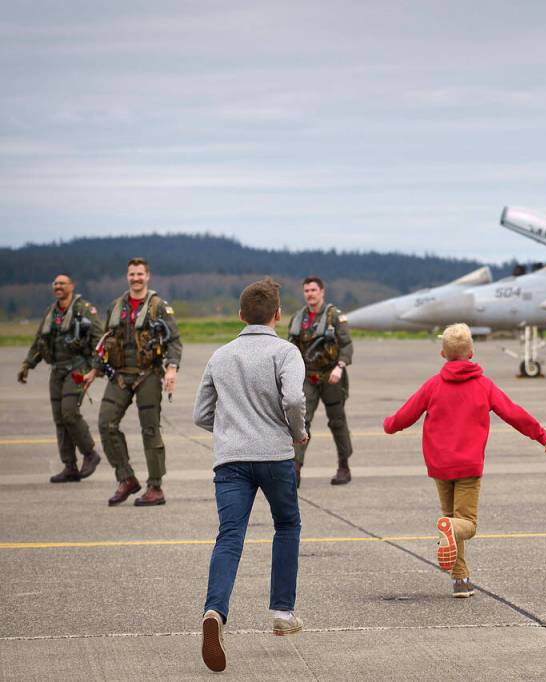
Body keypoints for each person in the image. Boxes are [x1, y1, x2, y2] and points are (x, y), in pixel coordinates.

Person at [383, 323, 546, 598]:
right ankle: (451, 536)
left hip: (439, 465)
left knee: (451, 521)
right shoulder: (484, 386)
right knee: (466, 524)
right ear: (471, 351)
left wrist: (389, 425)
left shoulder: (433, 386)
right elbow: (513, 413)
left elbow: (406, 414)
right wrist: (540, 434)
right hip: (469, 466)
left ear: (442, 354)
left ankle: (460, 580)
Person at [193, 278, 307, 673]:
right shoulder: (285, 352)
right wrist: (298, 432)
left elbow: (200, 414)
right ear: (278, 314)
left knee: (230, 536)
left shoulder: (220, 355)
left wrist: (229, 431)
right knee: (287, 524)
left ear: (241, 315)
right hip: (274, 456)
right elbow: (293, 398)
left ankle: (214, 612)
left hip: (230, 460)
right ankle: (282, 611)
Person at [97, 257, 182, 506]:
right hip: (120, 375)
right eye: (131, 274)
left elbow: (174, 341)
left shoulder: (159, 307)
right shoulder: (115, 306)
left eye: (140, 274)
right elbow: (104, 342)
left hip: (148, 375)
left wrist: (172, 369)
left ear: (148, 276)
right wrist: (94, 372)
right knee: (105, 424)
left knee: (150, 429)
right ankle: (126, 478)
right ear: (127, 276)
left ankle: (155, 487)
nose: (135, 278)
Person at [18, 273, 104, 482]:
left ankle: (90, 453)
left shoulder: (83, 310)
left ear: (72, 286)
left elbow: (99, 339)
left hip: (77, 369)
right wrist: (28, 364)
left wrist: (96, 368)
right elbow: (40, 341)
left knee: (69, 413)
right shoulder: (51, 313)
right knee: (59, 419)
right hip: (57, 370)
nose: (58, 286)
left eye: (62, 283)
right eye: (56, 283)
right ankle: (70, 466)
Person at [287, 276, 354, 487]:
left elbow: (346, 345)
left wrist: (340, 367)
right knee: (301, 421)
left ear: (322, 292)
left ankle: (344, 466)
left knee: (337, 422)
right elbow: (290, 347)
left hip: (331, 375)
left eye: (313, 290)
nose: (310, 294)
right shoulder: (298, 318)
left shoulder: (335, 316)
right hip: (308, 376)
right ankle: (295, 469)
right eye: (306, 290)